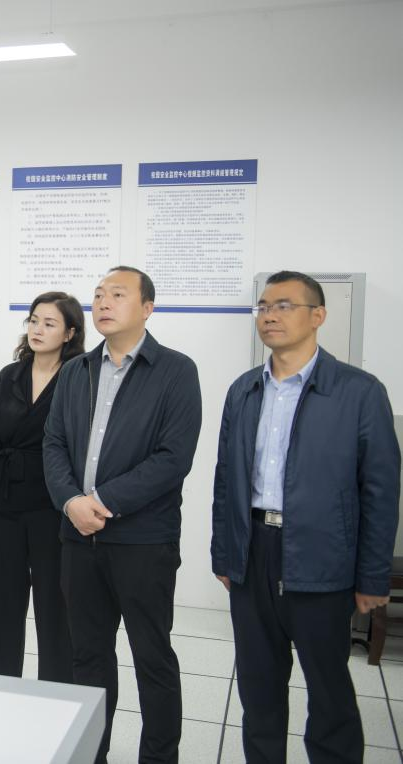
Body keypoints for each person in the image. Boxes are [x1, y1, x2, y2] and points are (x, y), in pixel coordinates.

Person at [212, 271, 399, 762]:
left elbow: (380, 492)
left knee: (329, 690)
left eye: (284, 305)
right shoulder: (244, 390)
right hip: (253, 552)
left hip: (322, 555)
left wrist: (372, 576)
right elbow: (226, 479)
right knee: (258, 687)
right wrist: (224, 554)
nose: (269, 315)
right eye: (263, 306)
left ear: (318, 316)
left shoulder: (359, 391)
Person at [43, 266, 202, 763]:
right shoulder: (77, 370)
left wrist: (101, 501)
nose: (103, 303)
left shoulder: (176, 371)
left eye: (117, 294)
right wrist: (71, 501)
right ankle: (93, 753)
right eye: (97, 295)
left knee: (152, 657)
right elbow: (53, 443)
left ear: (147, 308)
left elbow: (173, 458)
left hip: (143, 541)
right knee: (87, 656)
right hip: (78, 538)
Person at [0, 292, 84, 681]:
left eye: (49, 323)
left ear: (69, 333)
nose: (38, 329)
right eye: (34, 320)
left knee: (55, 601)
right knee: (1, 595)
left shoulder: (79, 375)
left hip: (54, 502)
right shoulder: (10, 375)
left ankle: (59, 684)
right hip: (5, 499)